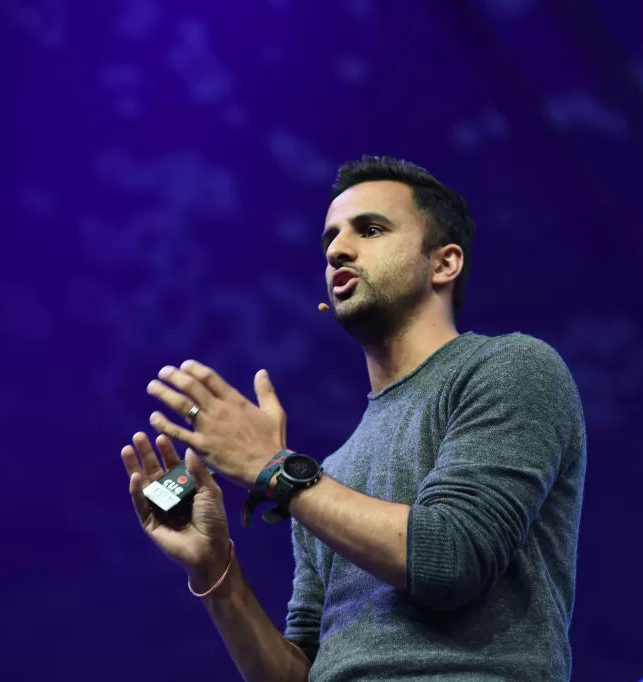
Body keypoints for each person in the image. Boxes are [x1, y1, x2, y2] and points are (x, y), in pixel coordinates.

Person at [120, 155, 587, 681]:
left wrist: (272, 467)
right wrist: (214, 570)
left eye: (370, 229)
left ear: (444, 264)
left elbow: (453, 560)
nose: (338, 250)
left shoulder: (513, 368)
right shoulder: (324, 476)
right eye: (330, 241)